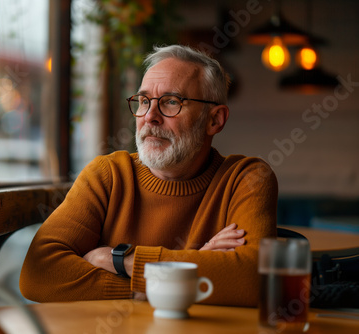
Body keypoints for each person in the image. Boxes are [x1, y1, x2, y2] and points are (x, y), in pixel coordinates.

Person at [20, 45, 278, 307]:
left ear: (215, 120)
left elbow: (253, 280)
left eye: (171, 102)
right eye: (144, 101)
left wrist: (119, 260)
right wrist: (167, 280)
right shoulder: (107, 175)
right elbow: (38, 274)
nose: (150, 117)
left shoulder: (246, 179)